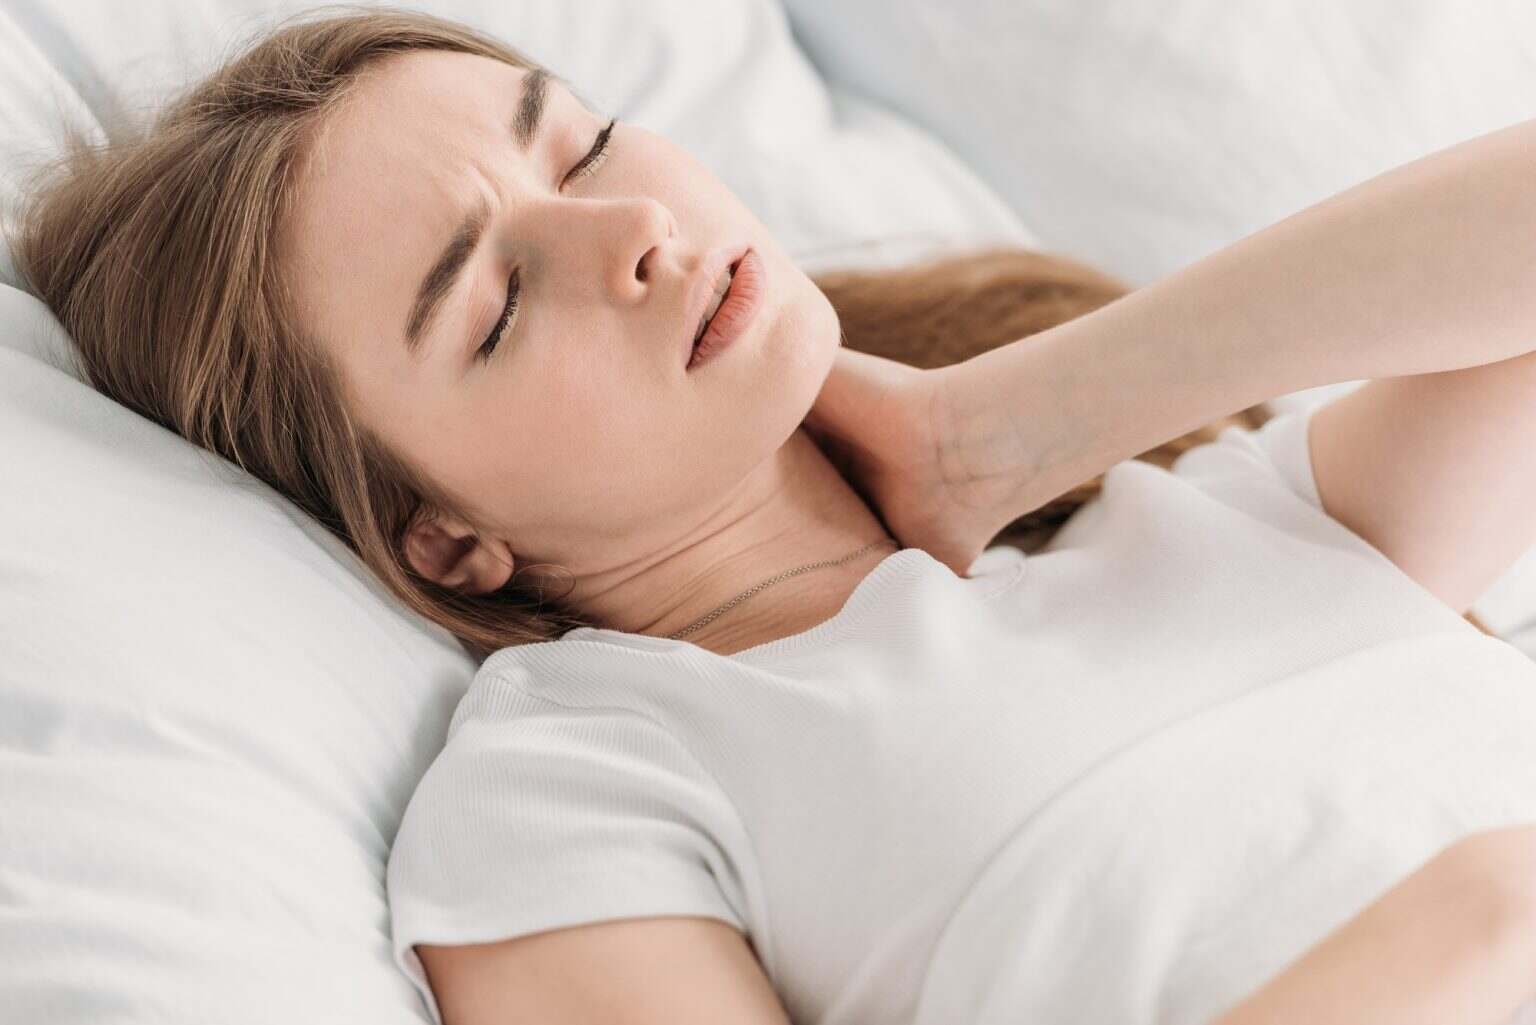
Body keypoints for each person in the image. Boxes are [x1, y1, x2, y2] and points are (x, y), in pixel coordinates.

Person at [10, 6, 1536, 1024]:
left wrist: (1007, 428)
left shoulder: (1204, 523)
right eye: (492, 306)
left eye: (585, 148)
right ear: (444, 537)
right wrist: (1454, 946)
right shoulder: (580, 779)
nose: (632, 234)